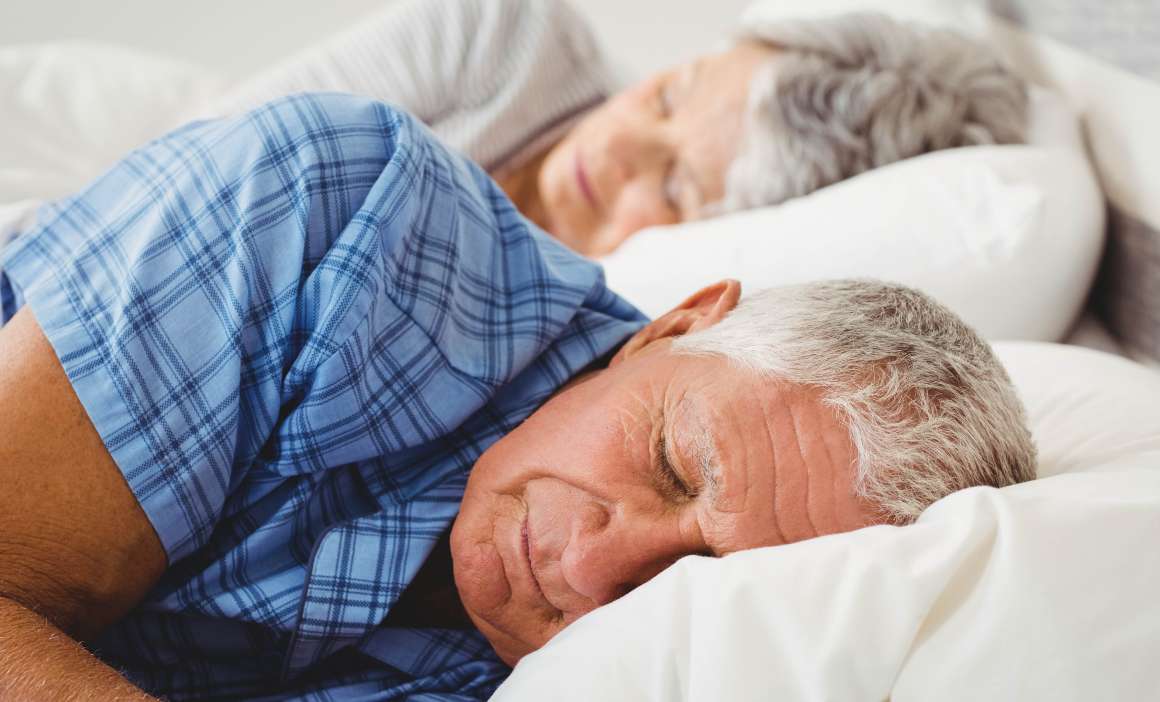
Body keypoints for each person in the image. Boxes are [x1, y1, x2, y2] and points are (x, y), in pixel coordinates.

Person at [0, 93, 1035, 700]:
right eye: (671, 465)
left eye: (690, 582)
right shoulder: (354, 220)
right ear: (674, 327)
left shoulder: (621, 669)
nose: (586, 571)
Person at [209, 0, 1029, 257]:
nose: (619, 146)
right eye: (670, 98)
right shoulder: (503, 31)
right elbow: (212, 164)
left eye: (677, 185)